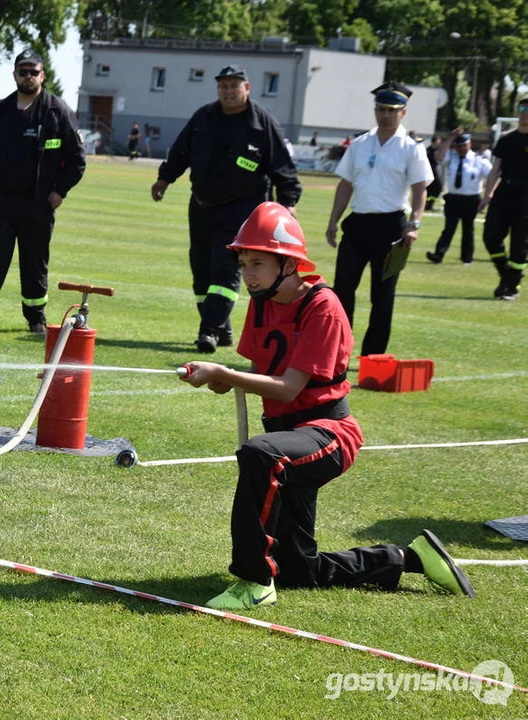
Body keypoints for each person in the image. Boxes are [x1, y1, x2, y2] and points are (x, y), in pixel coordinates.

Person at [179, 202, 475, 609]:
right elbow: (260, 375)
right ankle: (408, 558)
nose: (246, 273)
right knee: (299, 569)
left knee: (258, 455)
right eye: (243, 262)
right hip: (286, 437)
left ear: (288, 264)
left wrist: (225, 373)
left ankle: (253, 581)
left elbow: (286, 388)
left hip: (328, 434)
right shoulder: (261, 302)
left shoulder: (323, 306)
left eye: (257, 263)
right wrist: (221, 381)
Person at [151, 65, 300, 354]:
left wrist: (288, 202)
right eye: (224, 86)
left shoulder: (262, 124)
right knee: (201, 270)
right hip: (202, 206)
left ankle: (208, 331)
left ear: (247, 88)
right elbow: (180, 150)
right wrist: (165, 177)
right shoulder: (203, 117)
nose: (229, 91)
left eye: (234, 86)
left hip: (243, 210)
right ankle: (222, 327)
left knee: (226, 269)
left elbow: (283, 166)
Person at [0, 49, 86, 335]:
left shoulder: (57, 112)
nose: (28, 76)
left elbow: (77, 160)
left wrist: (60, 191)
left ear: (42, 75)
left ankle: (36, 319)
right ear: (14, 74)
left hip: (37, 205)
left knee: (34, 264)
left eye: (34, 71)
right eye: (23, 71)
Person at [325, 82, 432, 357]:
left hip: (392, 227)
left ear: (403, 113)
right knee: (342, 291)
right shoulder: (360, 143)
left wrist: (414, 223)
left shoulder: (411, 147)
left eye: (391, 110)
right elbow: (345, 184)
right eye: (381, 109)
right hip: (358, 224)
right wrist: (333, 220)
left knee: (382, 296)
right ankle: (339, 352)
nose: (385, 115)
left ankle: (372, 356)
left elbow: (421, 188)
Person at [479, 98, 528, 300]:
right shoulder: (507, 139)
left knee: (520, 244)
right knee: (490, 237)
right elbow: (495, 169)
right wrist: (488, 194)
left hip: (526, 196)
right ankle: (505, 274)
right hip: (504, 192)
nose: (525, 113)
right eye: (522, 108)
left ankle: (512, 286)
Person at [425, 129, 492, 265]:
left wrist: (487, 196)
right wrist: (450, 138)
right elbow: (438, 156)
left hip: (471, 199)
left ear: (470, 144)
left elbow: (492, 177)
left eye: (463, 145)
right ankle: (438, 254)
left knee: (468, 229)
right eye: (458, 145)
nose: (461, 148)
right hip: (453, 198)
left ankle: (467, 258)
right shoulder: (451, 156)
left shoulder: (479, 160)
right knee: (449, 227)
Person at [424, 135, 443, 211]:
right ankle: (429, 204)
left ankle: (428, 204)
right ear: (436, 141)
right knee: (438, 187)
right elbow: (439, 158)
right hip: (432, 171)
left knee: (431, 189)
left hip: (429, 170)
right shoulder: (433, 150)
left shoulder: (428, 149)